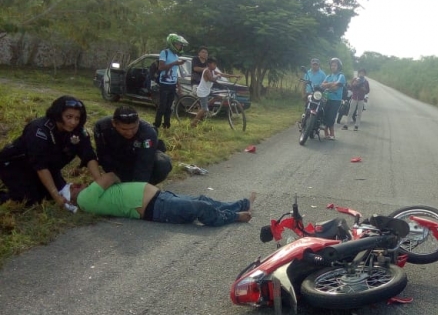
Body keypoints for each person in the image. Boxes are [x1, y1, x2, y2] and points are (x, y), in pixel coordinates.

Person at [0, 95, 102, 207]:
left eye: (77, 118)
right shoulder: (39, 130)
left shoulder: (78, 132)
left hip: (49, 169)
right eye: (69, 117)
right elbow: (40, 165)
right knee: (30, 200)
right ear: (58, 114)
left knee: (56, 195)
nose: (73, 122)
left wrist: (100, 182)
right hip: (15, 165)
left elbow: (89, 156)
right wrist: (56, 196)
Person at [76, 172, 255, 226]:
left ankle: (239, 205)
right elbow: (110, 176)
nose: (76, 184)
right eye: (72, 187)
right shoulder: (84, 199)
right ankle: (235, 216)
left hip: (160, 198)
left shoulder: (91, 194)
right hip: (155, 208)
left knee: (202, 199)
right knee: (200, 207)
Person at [94, 107, 172, 186]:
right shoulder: (102, 127)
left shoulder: (148, 132)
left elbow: (145, 163)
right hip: (118, 160)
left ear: (138, 122)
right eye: (124, 129)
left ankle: (147, 188)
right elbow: (103, 156)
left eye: (133, 128)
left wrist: (137, 189)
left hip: (138, 158)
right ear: (114, 123)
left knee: (162, 163)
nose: (129, 133)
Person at [190, 57, 241, 127]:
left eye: (215, 64)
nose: (215, 66)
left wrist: (235, 76)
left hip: (208, 90)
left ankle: (206, 105)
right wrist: (218, 77)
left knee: (219, 97)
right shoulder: (207, 70)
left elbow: (223, 74)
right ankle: (193, 123)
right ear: (209, 64)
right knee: (204, 109)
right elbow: (212, 79)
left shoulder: (213, 71)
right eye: (214, 64)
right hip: (202, 91)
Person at [154, 33, 188, 131]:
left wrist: (179, 85)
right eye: (178, 44)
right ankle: (156, 124)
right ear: (172, 43)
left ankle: (167, 125)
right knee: (162, 105)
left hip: (172, 84)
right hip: (164, 83)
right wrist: (175, 63)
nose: (180, 46)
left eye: (181, 45)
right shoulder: (165, 53)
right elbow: (161, 67)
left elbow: (175, 72)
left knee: (169, 106)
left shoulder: (176, 55)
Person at [320, 57, 347, 140]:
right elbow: (322, 85)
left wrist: (328, 85)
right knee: (324, 115)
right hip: (326, 98)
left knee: (331, 116)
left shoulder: (341, 76)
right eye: (332, 65)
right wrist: (332, 84)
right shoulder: (328, 76)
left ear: (338, 66)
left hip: (336, 100)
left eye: (335, 65)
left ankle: (332, 134)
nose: (333, 67)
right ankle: (327, 134)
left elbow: (336, 88)